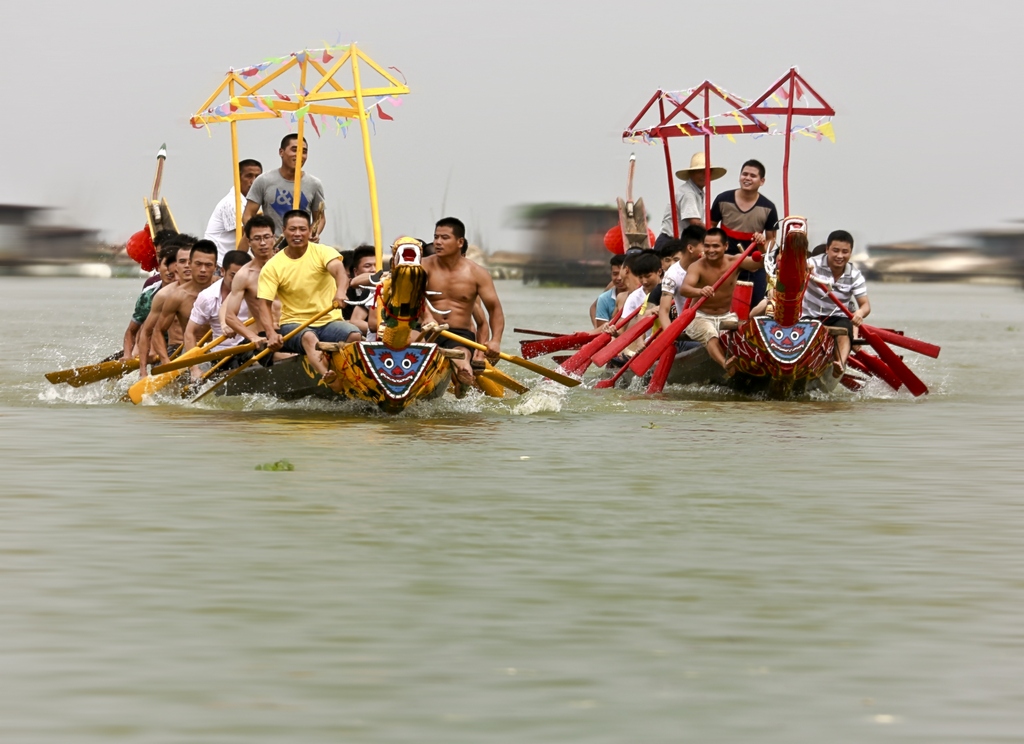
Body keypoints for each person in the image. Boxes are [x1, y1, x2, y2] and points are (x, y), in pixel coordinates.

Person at [256, 210, 360, 383]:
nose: (297, 234)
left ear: (310, 230)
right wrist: (271, 334)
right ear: (284, 231)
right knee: (309, 337)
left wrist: (341, 291)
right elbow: (263, 305)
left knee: (354, 335)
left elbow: (340, 273)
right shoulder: (272, 266)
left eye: (302, 229)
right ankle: (329, 378)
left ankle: (353, 377)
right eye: (293, 229)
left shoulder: (323, 252)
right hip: (295, 325)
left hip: (329, 321)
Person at [421, 216, 505, 385]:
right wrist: (427, 316)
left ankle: (464, 374)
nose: (438, 242)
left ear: (460, 242)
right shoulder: (422, 266)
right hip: (425, 330)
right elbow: (412, 297)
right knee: (413, 345)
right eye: (436, 237)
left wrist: (495, 340)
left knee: (461, 356)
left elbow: (494, 309)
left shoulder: (477, 274)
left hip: (458, 334)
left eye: (444, 238)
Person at [680, 227, 764, 374]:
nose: (710, 250)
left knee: (745, 334)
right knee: (710, 333)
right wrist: (700, 291)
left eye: (716, 246)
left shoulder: (735, 261)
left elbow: (759, 263)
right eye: (707, 246)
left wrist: (761, 245)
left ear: (725, 246)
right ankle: (725, 364)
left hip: (726, 316)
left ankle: (749, 368)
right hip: (699, 317)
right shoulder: (696, 266)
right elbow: (685, 289)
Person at [138, 241, 219, 377]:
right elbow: (151, 331)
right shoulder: (172, 296)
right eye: (198, 264)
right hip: (186, 349)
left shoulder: (225, 287)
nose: (203, 269)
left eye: (208, 265)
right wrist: (165, 364)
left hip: (221, 346)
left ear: (215, 266)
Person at [801, 229, 871, 377]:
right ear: (827, 249)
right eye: (835, 250)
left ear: (851, 252)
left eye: (845, 252)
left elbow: (865, 305)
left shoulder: (855, 275)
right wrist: (802, 270)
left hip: (837, 317)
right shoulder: (812, 263)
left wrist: (859, 313)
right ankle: (802, 362)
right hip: (809, 315)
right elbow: (789, 273)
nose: (840, 256)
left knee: (845, 330)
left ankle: (839, 363)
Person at [710, 159, 778, 307]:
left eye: (752, 176)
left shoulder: (769, 208)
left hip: (754, 262)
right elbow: (710, 227)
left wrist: (762, 243)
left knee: (756, 304)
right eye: (744, 174)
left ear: (762, 181)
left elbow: (771, 239)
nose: (747, 178)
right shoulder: (723, 200)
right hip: (725, 261)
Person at [239, 135, 325, 250]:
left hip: (301, 249)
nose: (299, 155)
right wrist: (261, 236)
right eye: (294, 150)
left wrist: (313, 233)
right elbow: (248, 214)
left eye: (304, 152)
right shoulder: (264, 180)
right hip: (272, 249)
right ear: (281, 152)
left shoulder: (314, 184)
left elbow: (320, 218)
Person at [182, 250, 252, 379]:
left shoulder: (255, 288)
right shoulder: (207, 297)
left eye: (242, 276)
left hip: (252, 346)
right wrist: (194, 369)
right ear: (223, 271)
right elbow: (189, 333)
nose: (238, 281)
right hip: (223, 356)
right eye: (233, 275)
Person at [134, 235, 197, 372]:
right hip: (176, 349)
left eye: (191, 261)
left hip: (208, 347)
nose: (187, 265)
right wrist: (143, 370)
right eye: (183, 262)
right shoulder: (164, 295)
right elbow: (146, 331)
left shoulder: (214, 287)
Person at [654, 152, 725, 251]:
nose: (703, 175)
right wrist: (714, 235)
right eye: (699, 171)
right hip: (671, 243)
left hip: (678, 241)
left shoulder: (697, 191)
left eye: (706, 172)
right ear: (691, 173)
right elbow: (695, 222)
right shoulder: (688, 193)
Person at [121, 244, 178, 360]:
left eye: (173, 268)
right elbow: (132, 331)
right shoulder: (147, 296)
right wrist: (127, 355)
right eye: (165, 266)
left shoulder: (193, 293)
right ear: (158, 268)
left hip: (178, 346)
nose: (169, 272)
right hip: (153, 347)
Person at [204, 159, 263, 264]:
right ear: (238, 178)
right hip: (219, 265)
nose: (254, 181)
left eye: (258, 177)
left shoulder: (250, 203)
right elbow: (249, 235)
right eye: (249, 176)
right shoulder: (232, 203)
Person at [656, 226, 706, 335]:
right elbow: (663, 311)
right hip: (690, 330)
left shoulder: (712, 264)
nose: (709, 250)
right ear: (690, 248)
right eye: (705, 246)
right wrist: (671, 336)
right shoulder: (672, 274)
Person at [344, 245, 378, 335]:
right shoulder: (345, 295)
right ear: (355, 272)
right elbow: (350, 322)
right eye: (367, 266)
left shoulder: (386, 290)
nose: (373, 270)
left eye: (377, 265)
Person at [590, 254, 625, 327]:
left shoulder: (641, 295)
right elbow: (601, 331)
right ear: (611, 275)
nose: (619, 278)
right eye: (615, 274)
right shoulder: (603, 299)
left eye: (622, 274)